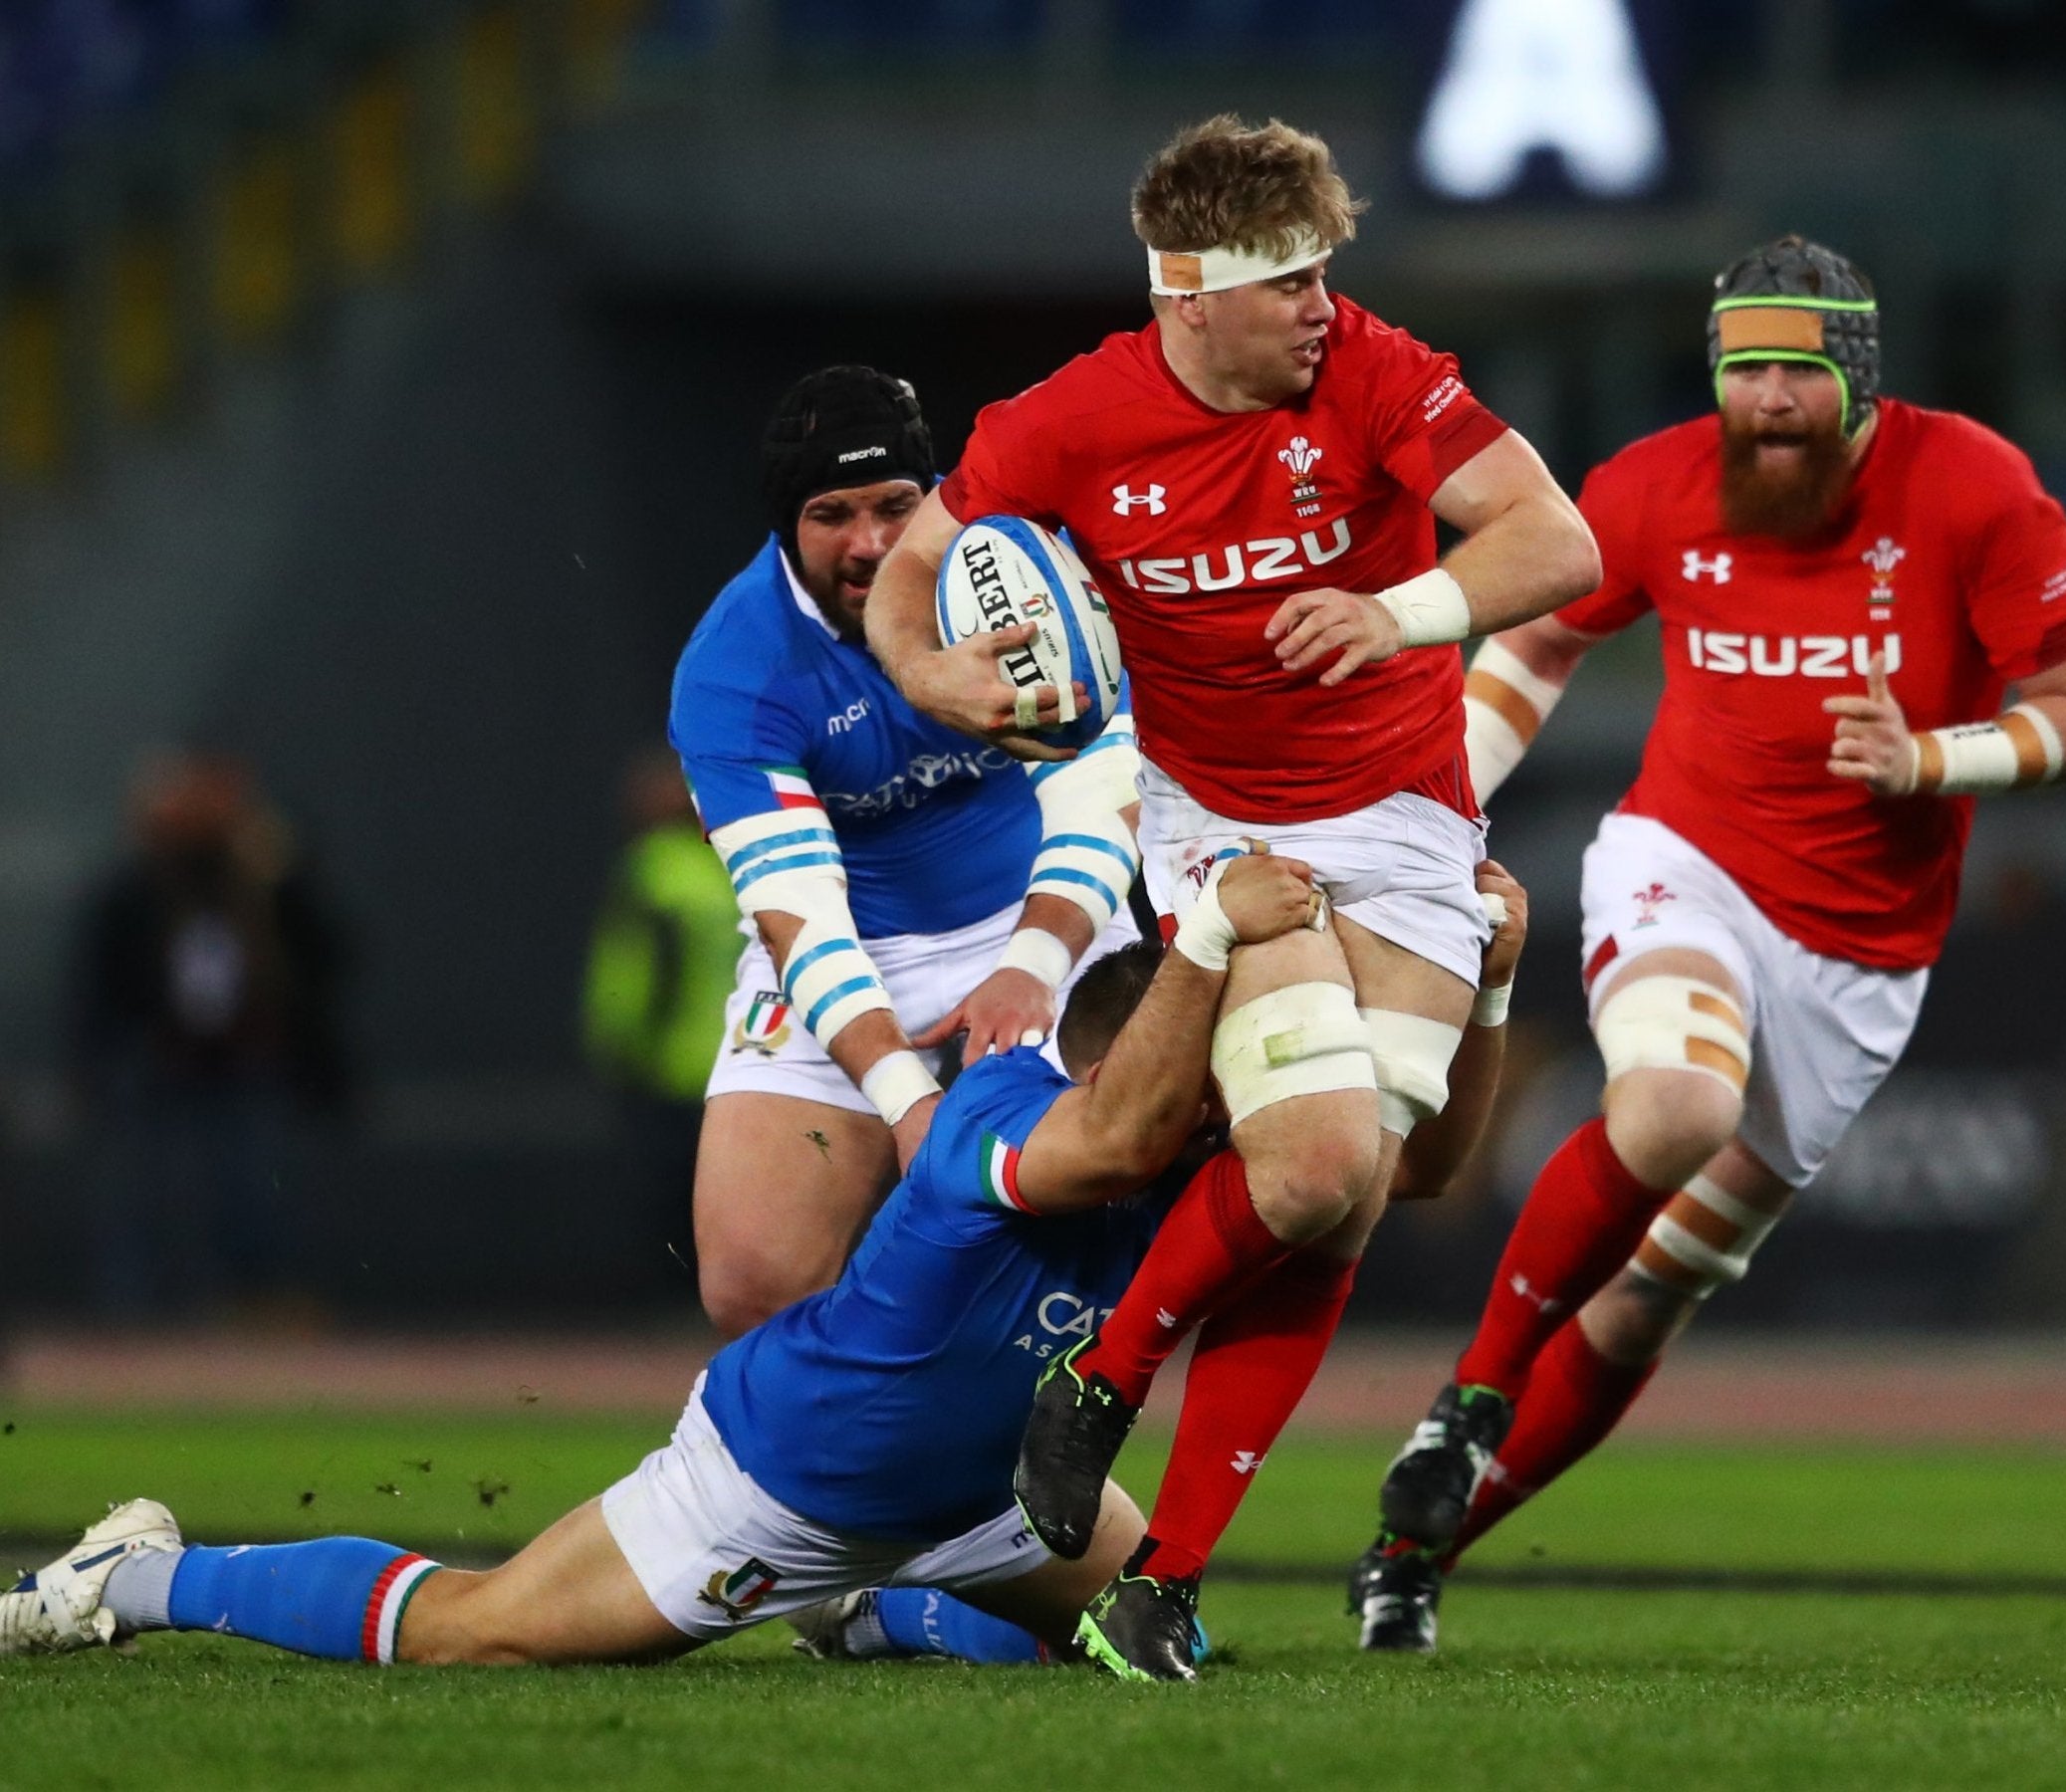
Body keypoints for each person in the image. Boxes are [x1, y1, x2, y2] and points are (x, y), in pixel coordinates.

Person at [862, 113, 1601, 1679]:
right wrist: (935, 678)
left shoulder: (1378, 373)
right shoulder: (1070, 421)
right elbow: (912, 567)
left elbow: (1558, 538)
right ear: (1188, 295)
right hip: (1220, 819)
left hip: (1405, 814)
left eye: (1332, 276)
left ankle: (1161, 1578)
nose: (1325, 310)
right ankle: (1111, 1378)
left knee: (1344, 1207)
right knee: (1324, 1157)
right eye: (1292, 286)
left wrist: (1399, 610)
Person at [1349, 235, 2066, 1652]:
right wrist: (1439, 809)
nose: (1768, 399)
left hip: (1865, 960)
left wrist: (1933, 761)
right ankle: (1466, 1400)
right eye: (1744, 368)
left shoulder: (1973, 487)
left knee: (1653, 1296)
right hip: (1685, 867)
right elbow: (1534, 645)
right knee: (1670, 1105)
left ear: (1856, 376)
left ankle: (1417, 1550)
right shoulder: (1652, 481)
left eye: (1797, 370)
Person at [0, 853, 1313, 1671]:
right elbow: (1123, 1127)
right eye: (1194, 1075)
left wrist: (1472, 993)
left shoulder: (1172, 1141)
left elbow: (1384, 1166)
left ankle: (860, 1617)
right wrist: (1206, 937)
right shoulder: (1004, 1112)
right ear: (1104, 1063)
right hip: (781, 1482)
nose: (1217, 1103)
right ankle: (136, 1575)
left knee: (1154, 1642)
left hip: (983, 1500)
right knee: (477, 1632)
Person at [671, 365, 1143, 1336]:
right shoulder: (735, 667)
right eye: (831, 514)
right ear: (783, 527)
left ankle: (1021, 1457)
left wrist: (1029, 966)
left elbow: (1103, 806)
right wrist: (902, 1099)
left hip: (1036, 917)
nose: (873, 541)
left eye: (895, 504)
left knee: (1055, 1249)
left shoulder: (1020, 580)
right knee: (751, 1285)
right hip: (850, 943)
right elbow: (798, 910)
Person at [70, 749, 347, 1321]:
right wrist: (93, 1065)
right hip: (158, 1060)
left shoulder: (262, 875)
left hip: (245, 1058)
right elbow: (99, 984)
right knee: (141, 1197)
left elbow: (328, 955)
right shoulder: (136, 885)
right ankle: (134, 1320)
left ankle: (255, 1309)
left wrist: (281, 872)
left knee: (253, 1189)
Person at [581, 746, 744, 1290]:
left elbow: (631, 967)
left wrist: (614, 1040)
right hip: (748, 1056)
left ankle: (673, 1301)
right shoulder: (734, 861)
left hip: (670, 1059)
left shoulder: (654, 866)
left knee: (670, 1189)